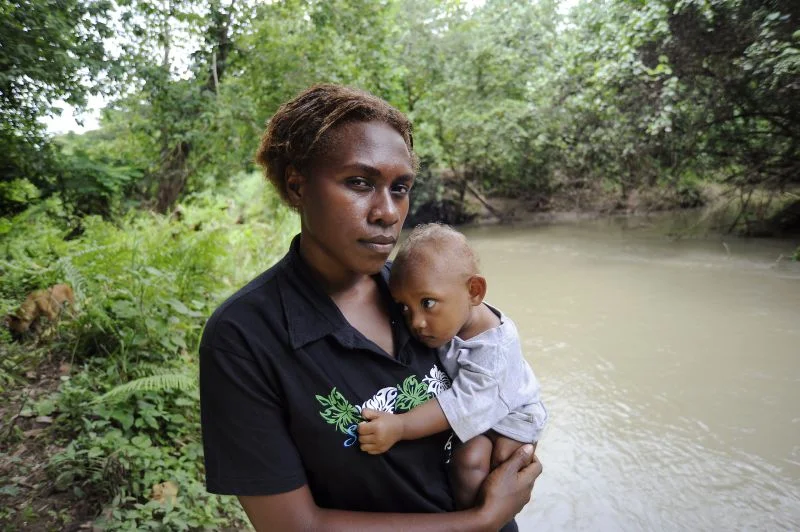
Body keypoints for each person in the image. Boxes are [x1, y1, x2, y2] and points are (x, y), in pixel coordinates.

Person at [199, 84, 542, 531]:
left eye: (400, 188)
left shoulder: (416, 287)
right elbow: (296, 527)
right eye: (359, 183)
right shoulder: (245, 337)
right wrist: (481, 520)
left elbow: (499, 368)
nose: (387, 212)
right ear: (297, 185)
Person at [358, 224, 547, 509]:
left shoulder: (493, 351)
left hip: (514, 417)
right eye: (405, 308)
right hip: (485, 406)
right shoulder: (453, 316)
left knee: (475, 463)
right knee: (468, 461)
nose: (416, 322)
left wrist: (399, 426)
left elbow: (462, 405)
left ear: (474, 291)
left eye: (428, 303)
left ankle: (480, 520)